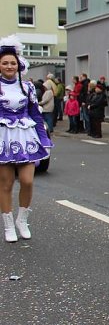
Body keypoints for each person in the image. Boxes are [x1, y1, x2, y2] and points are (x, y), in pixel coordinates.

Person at [0, 36, 52, 242]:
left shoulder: (28, 87)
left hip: (25, 137)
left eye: (12, 62)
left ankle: (22, 220)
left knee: (27, 181)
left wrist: (44, 140)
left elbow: (36, 115)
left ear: (19, 64)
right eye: (5, 63)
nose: (9, 66)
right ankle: (8, 225)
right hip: (3, 137)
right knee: (5, 184)